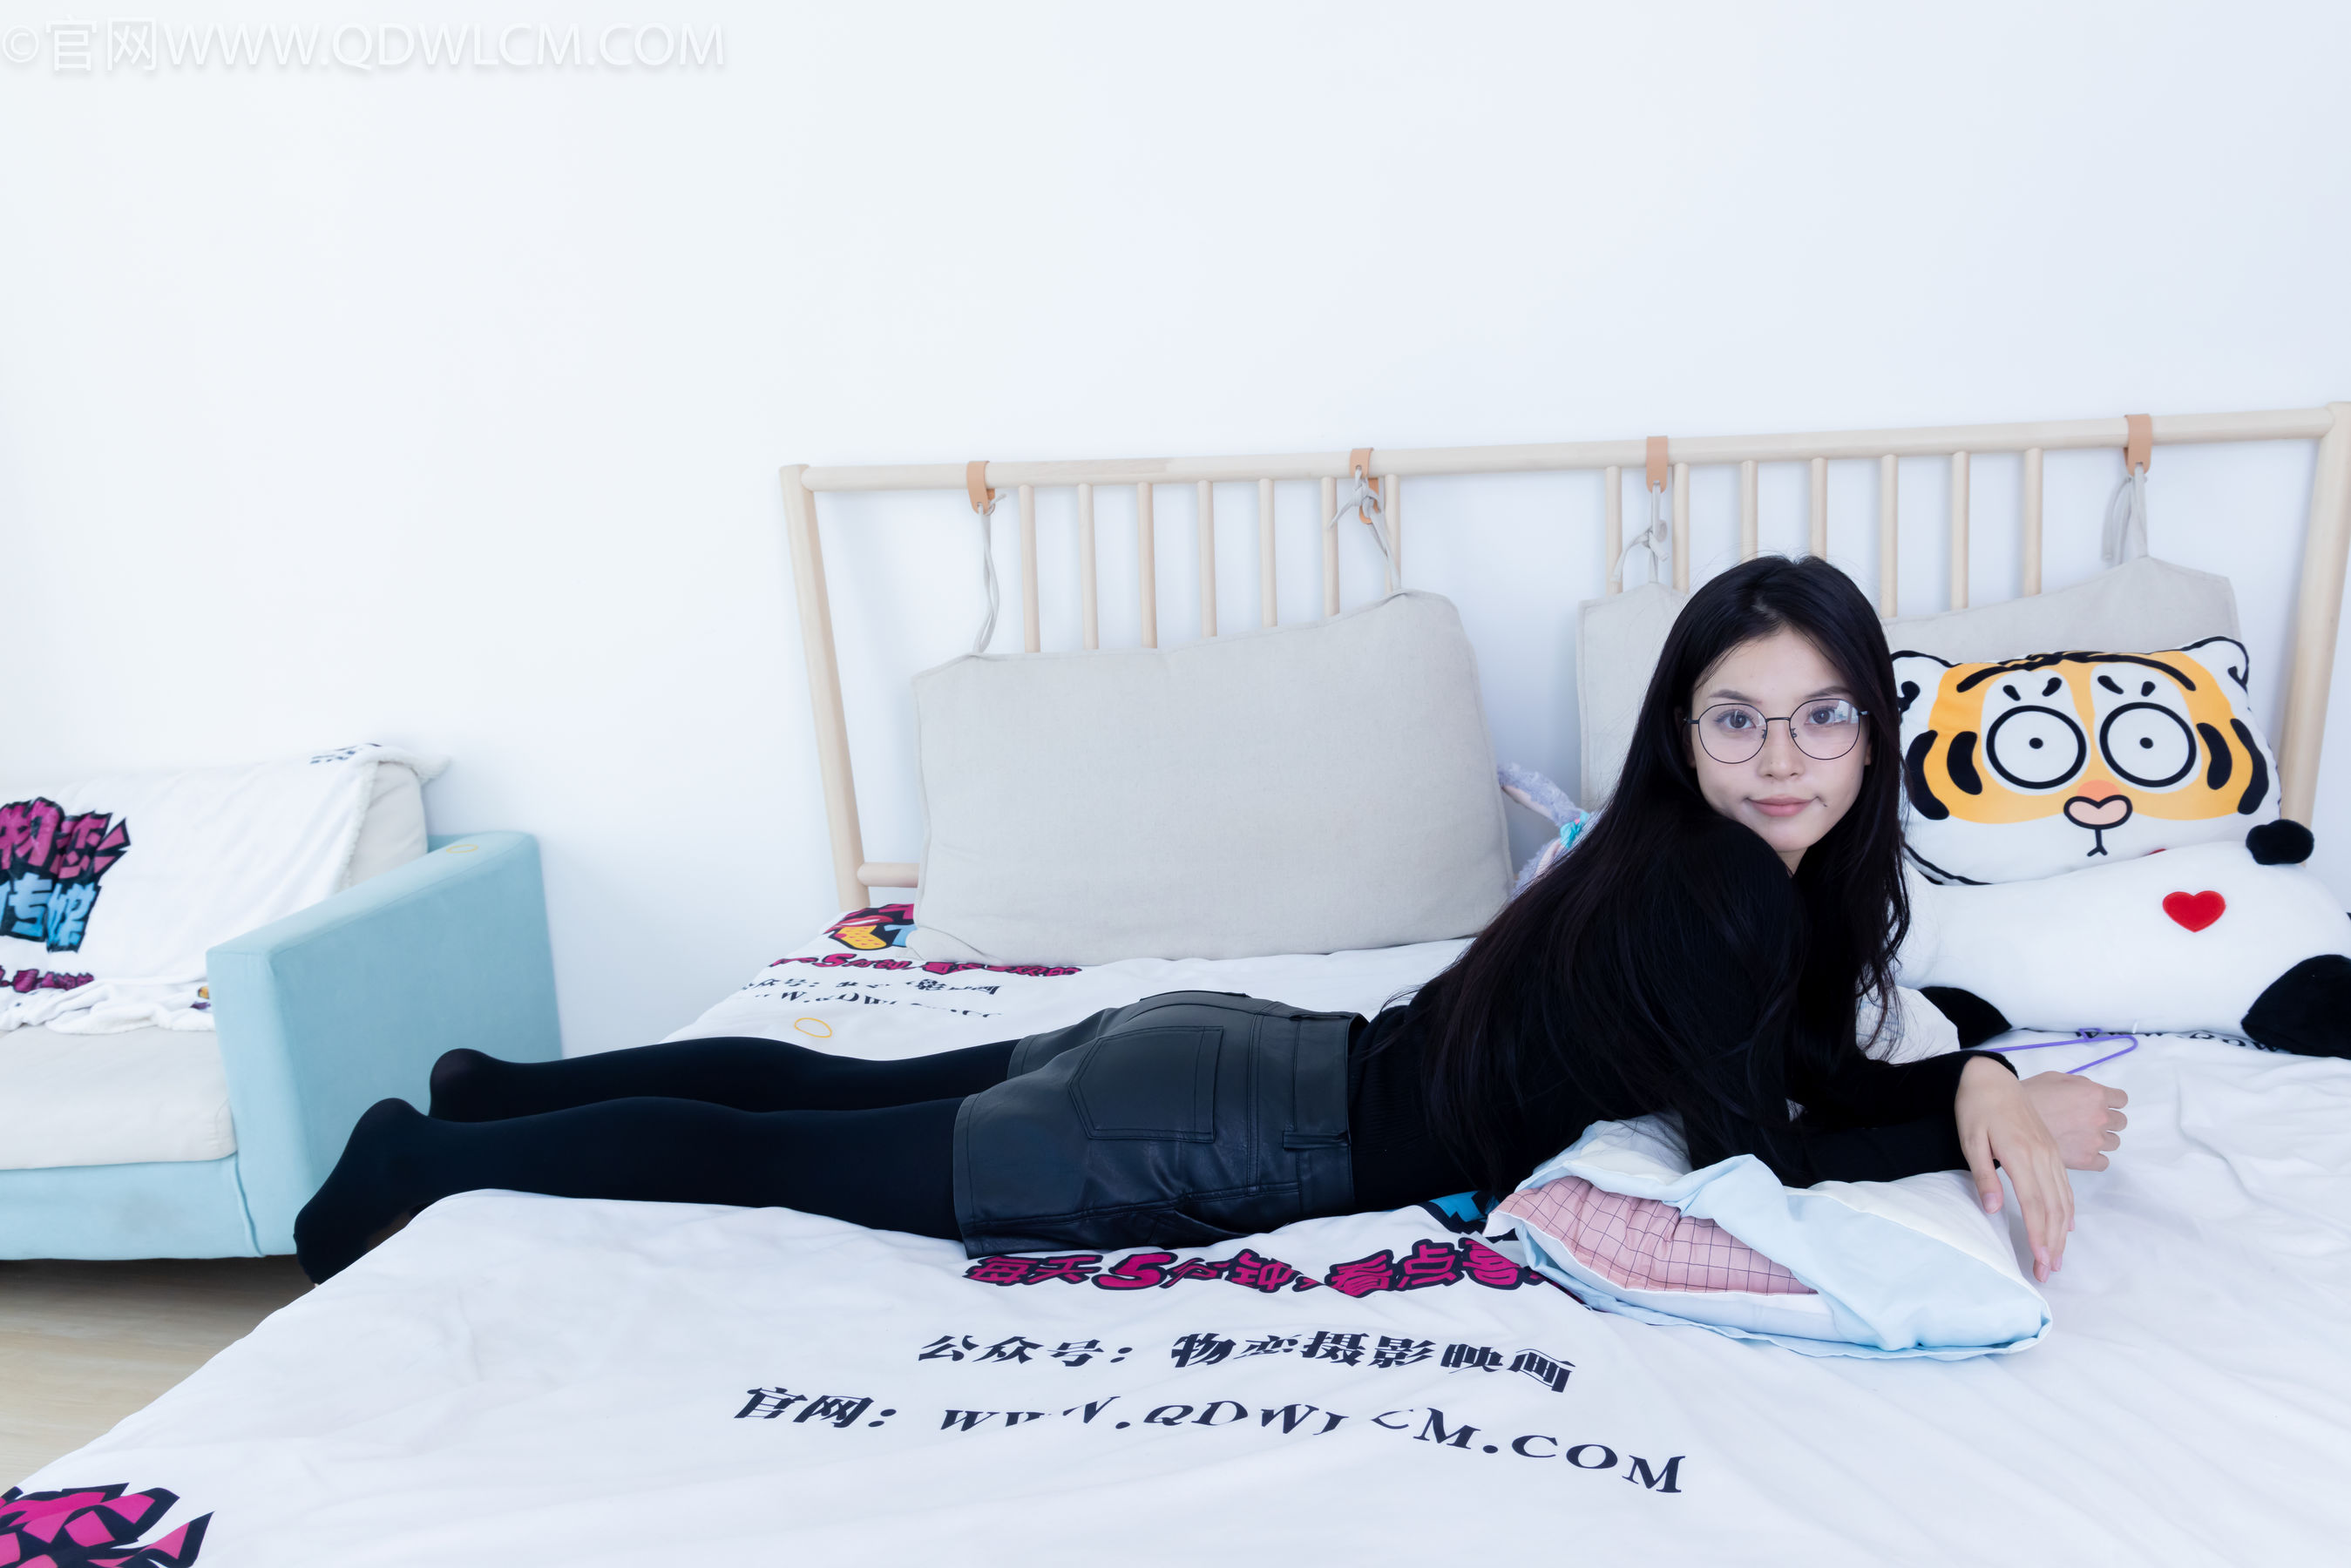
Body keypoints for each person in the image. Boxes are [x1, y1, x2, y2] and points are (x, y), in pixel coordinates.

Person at [295, 557, 2126, 1286]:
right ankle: (420, 1166)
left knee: (823, 1089)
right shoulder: (1720, 887)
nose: (1783, 757)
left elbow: (1778, 1071)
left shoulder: (1703, 880)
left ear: (1871, 728)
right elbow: (1761, 1151)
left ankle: (490, 1088)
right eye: (1738, 719)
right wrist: (1967, 1108)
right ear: (1681, 732)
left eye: (1820, 716)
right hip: (1210, 1135)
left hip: (1223, 1056)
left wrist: (1968, 1076)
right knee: (778, 1158)